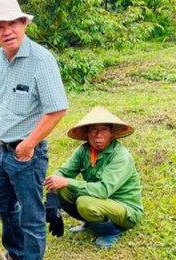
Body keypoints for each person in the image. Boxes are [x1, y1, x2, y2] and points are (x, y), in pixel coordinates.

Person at [0, 0, 68, 260]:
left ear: (23, 24)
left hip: (26, 154)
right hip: (3, 150)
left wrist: (30, 143)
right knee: (3, 206)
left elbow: (57, 109)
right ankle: (17, 253)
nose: (7, 31)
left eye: (12, 24)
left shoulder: (41, 60)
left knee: (31, 215)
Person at [44, 106, 143, 249]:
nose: (98, 134)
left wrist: (66, 182)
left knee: (85, 203)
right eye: (93, 129)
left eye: (104, 129)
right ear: (87, 133)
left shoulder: (120, 156)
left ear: (111, 133)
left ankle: (112, 231)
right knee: (62, 189)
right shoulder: (84, 150)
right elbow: (63, 173)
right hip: (99, 199)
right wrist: (52, 198)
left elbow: (102, 191)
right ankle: (91, 222)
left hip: (125, 208)